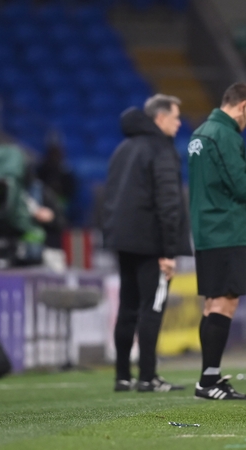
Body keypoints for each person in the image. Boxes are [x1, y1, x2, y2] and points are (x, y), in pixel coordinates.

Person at [102, 94, 193, 392]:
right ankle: (148, 377)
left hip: (124, 240)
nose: (179, 123)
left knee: (128, 307)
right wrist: (169, 252)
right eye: (175, 117)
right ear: (160, 118)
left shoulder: (122, 148)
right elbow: (168, 202)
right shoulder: (160, 149)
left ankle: (121, 376)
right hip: (151, 243)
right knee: (151, 307)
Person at [187, 82, 246, 400]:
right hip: (226, 227)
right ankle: (209, 380)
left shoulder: (199, 133)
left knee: (212, 303)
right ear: (242, 105)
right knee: (224, 302)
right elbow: (243, 186)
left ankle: (209, 376)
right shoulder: (226, 135)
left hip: (206, 227)